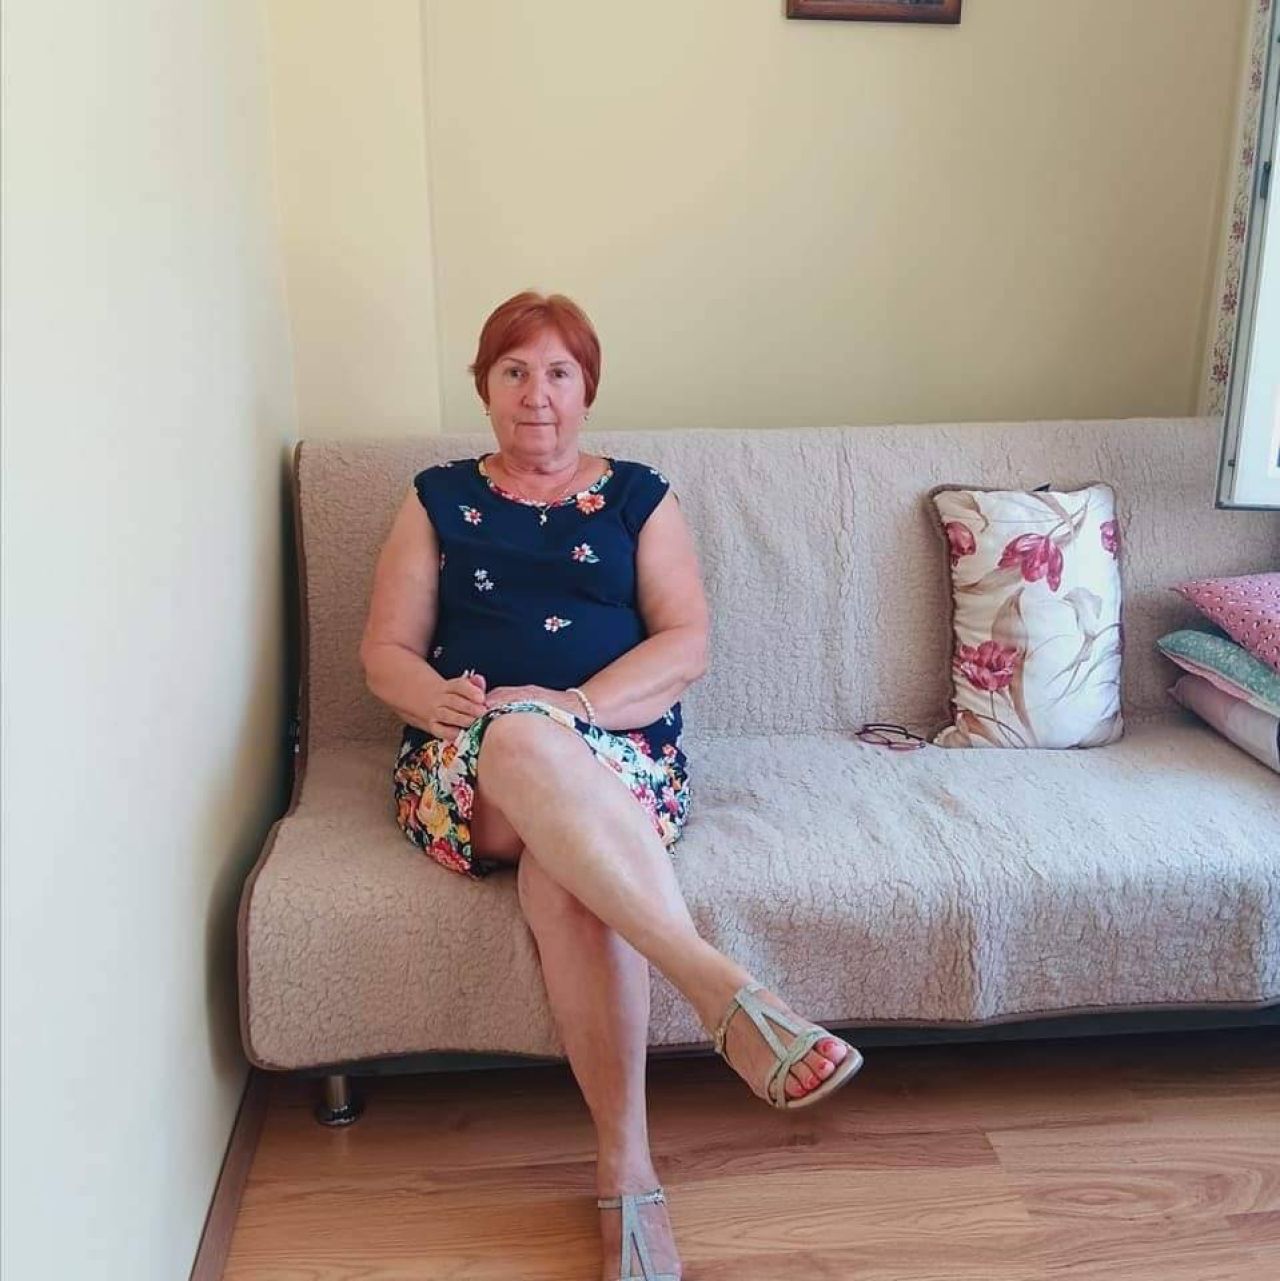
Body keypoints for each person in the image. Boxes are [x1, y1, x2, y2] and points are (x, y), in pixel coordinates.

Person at [359, 291, 863, 1280]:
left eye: (557, 372)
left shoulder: (639, 496)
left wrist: (578, 707)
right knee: (516, 732)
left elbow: (687, 642)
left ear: (587, 388)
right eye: (513, 372)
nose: (535, 394)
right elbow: (384, 652)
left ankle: (627, 1173)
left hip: (616, 760)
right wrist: (437, 699)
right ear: (484, 388)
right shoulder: (435, 499)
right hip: (465, 767)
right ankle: (718, 988)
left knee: (565, 873)